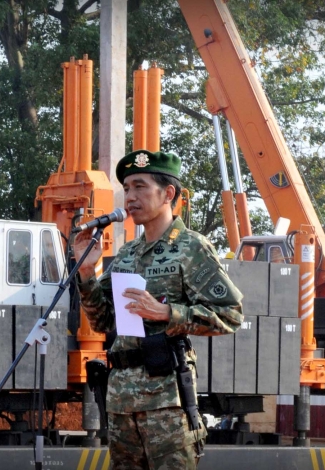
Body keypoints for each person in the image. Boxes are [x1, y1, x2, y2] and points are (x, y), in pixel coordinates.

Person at [73, 149, 243, 470]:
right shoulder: (126, 255)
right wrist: (86, 273)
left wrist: (167, 314)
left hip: (166, 402)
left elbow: (230, 314)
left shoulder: (191, 247)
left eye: (140, 186)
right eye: (127, 189)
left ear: (168, 193)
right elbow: (103, 320)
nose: (130, 197)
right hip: (122, 400)